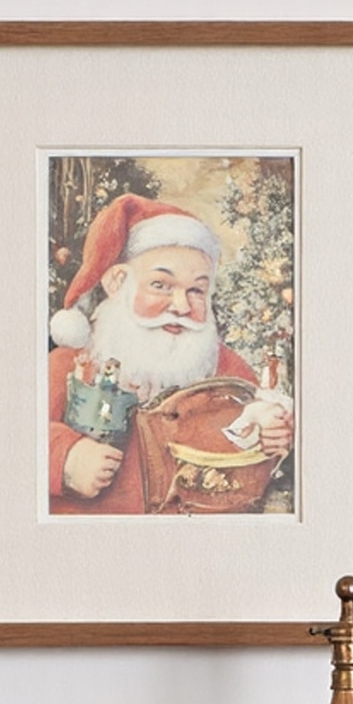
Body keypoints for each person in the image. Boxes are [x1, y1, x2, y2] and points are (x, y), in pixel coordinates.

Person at [46, 194, 294, 515]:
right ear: (119, 282)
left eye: (196, 290)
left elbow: (255, 436)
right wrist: (65, 457)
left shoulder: (224, 366)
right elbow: (11, 435)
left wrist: (271, 432)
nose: (181, 305)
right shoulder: (73, 360)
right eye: (161, 285)